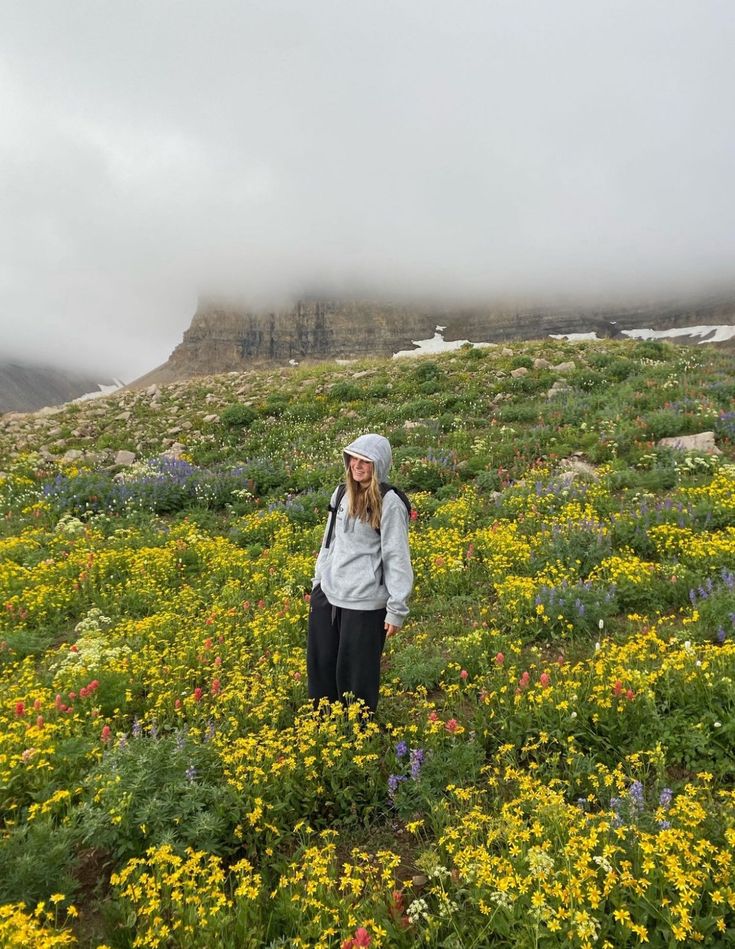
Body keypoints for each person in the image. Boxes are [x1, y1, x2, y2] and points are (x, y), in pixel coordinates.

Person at [307, 433, 413, 714]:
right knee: (322, 667)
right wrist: (319, 581)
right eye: (354, 458)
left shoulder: (390, 502)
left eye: (366, 460)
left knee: (357, 675)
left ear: (379, 464)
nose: (357, 465)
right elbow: (328, 541)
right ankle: (324, 725)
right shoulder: (341, 493)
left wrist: (396, 609)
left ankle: (358, 730)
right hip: (329, 594)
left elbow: (396, 556)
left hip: (365, 602)